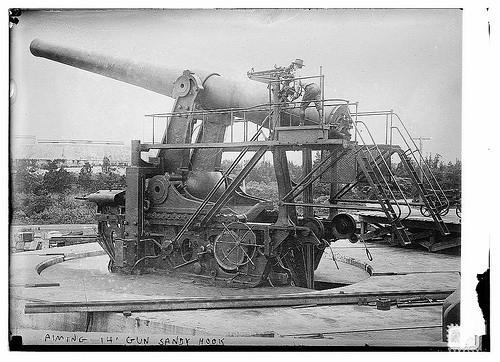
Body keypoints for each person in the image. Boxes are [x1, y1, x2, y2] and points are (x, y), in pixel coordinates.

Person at [289, 59, 323, 125]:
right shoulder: (306, 71)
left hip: (310, 88)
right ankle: (322, 122)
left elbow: (297, 85)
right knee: (319, 107)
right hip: (317, 87)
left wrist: (295, 95)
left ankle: (301, 123)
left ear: (296, 65)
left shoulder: (296, 73)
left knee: (302, 107)